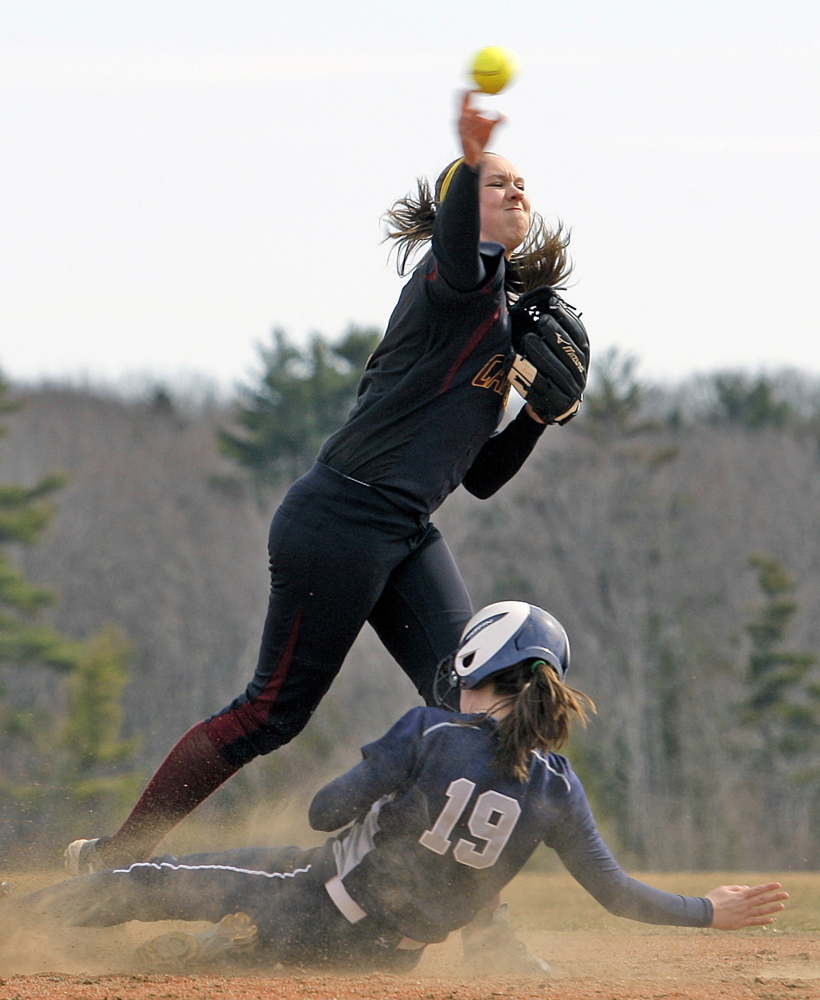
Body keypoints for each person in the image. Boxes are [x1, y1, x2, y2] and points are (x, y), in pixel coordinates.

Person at [64, 90, 586, 888]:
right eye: (496, 184)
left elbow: (478, 478)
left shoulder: (497, 323)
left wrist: (537, 419)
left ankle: (449, 905)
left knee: (468, 709)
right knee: (270, 713)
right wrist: (469, 156)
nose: (515, 192)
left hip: (407, 528)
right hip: (338, 519)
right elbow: (458, 243)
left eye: (522, 185)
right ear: (461, 209)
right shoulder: (457, 286)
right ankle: (112, 856)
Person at [13, 603, 786, 975]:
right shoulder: (558, 787)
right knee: (234, 949)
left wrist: (379, 787)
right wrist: (708, 913)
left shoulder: (430, 732)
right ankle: (222, 954)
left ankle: (15, 924)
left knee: (159, 879)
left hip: (312, 901)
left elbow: (324, 814)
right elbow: (616, 893)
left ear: (481, 668)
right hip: (387, 963)